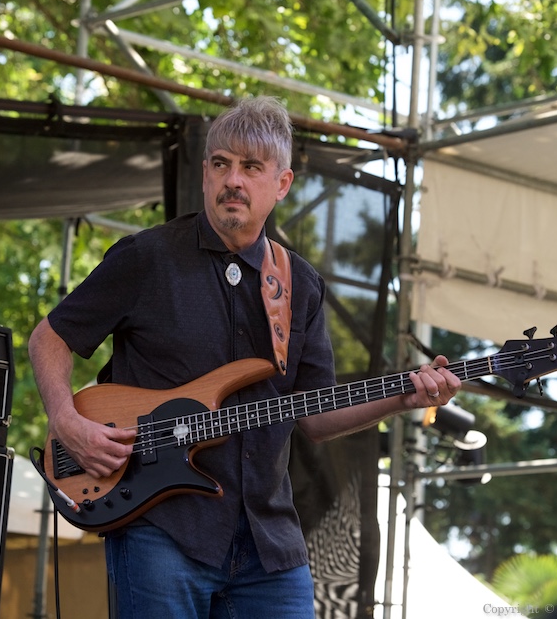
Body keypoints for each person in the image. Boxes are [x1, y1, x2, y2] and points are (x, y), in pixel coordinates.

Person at [27, 95, 461, 619]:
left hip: (268, 545)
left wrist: (403, 397)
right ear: (206, 176)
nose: (233, 179)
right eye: (220, 164)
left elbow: (316, 417)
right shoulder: (147, 257)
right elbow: (49, 338)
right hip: (161, 528)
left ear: (281, 184)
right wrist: (66, 421)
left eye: (251, 167)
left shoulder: (300, 286)